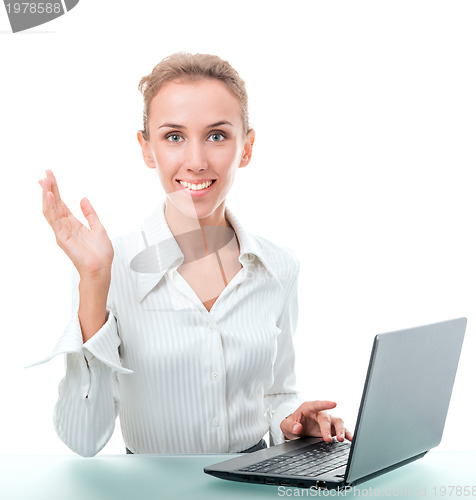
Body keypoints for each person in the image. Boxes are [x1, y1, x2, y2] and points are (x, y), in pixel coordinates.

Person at [32, 52, 352, 457]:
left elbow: (276, 393)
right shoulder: (110, 267)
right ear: (147, 149)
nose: (196, 162)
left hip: (250, 483)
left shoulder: (279, 268)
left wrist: (294, 423)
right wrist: (93, 284)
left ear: (247, 148)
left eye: (217, 136)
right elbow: (83, 440)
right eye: (174, 137)